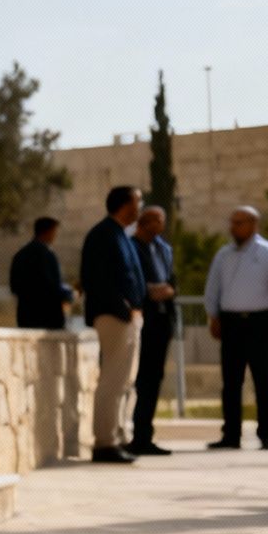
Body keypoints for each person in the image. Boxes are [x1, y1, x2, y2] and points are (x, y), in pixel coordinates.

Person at [203, 205, 268, 451]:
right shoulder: (224, 255)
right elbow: (213, 287)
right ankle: (231, 434)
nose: (234, 228)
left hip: (260, 322)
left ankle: (265, 434)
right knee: (231, 380)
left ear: (253, 224)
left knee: (262, 379)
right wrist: (213, 316)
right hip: (231, 322)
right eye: (232, 223)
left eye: (239, 223)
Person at [79, 185, 147, 464]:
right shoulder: (103, 234)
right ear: (126, 205)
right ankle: (105, 441)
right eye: (138, 202)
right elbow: (96, 278)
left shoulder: (120, 234)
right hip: (114, 315)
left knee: (125, 380)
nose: (140, 208)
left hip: (128, 317)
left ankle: (117, 436)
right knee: (113, 379)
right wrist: (123, 308)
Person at [128, 206, 178, 456]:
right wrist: (148, 292)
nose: (159, 224)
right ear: (143, 222)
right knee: (138, 379)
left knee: (154, 378)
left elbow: (172, 280)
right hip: (141, 319)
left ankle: (144, 435)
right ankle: (133, 434)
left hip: (161, 320)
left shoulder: (163, 249)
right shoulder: (131, 247)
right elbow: (128, 279)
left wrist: (168, 290)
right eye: (154, 220)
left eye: (161, 220)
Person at [10, 216, 72, 329]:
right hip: (48, 317)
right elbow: (50, 285)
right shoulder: (46, 255)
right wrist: (66, 295)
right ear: (48, 232)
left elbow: (14, 286)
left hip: (25, 315)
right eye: (54, 232)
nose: (55, 235)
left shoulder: (21, 255)